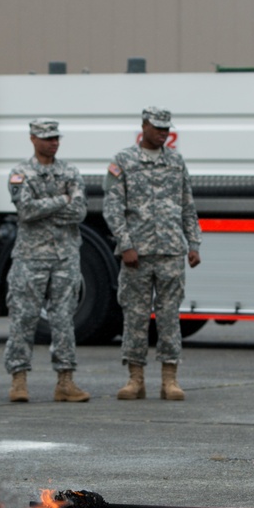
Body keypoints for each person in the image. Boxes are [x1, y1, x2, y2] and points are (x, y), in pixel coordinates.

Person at [102, 107, 201, 400]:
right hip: (138, 254)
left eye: (166, 128)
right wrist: (126, 244)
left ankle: (170, 379)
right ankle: (135, 378)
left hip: (171, 251)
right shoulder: (124, 161)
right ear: (144, 125)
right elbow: (113, 208)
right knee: (135, 316)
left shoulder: (176, 161)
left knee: (170, 316)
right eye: (157, 127)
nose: (163, 133)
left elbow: (187, 205)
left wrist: (193, 243)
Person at [4, 119, 90, 404]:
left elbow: (78, 212)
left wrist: (53, 205)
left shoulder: (70, 171)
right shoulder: (20, 172)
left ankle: (65, 381)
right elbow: (26, 210)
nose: (53, 142)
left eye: (56, 137)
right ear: (32, 139)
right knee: (24, 317)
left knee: (64, 319)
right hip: (30, 258)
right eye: (47, 138)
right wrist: (61, 200)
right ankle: (19, 381)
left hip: (65, 257)